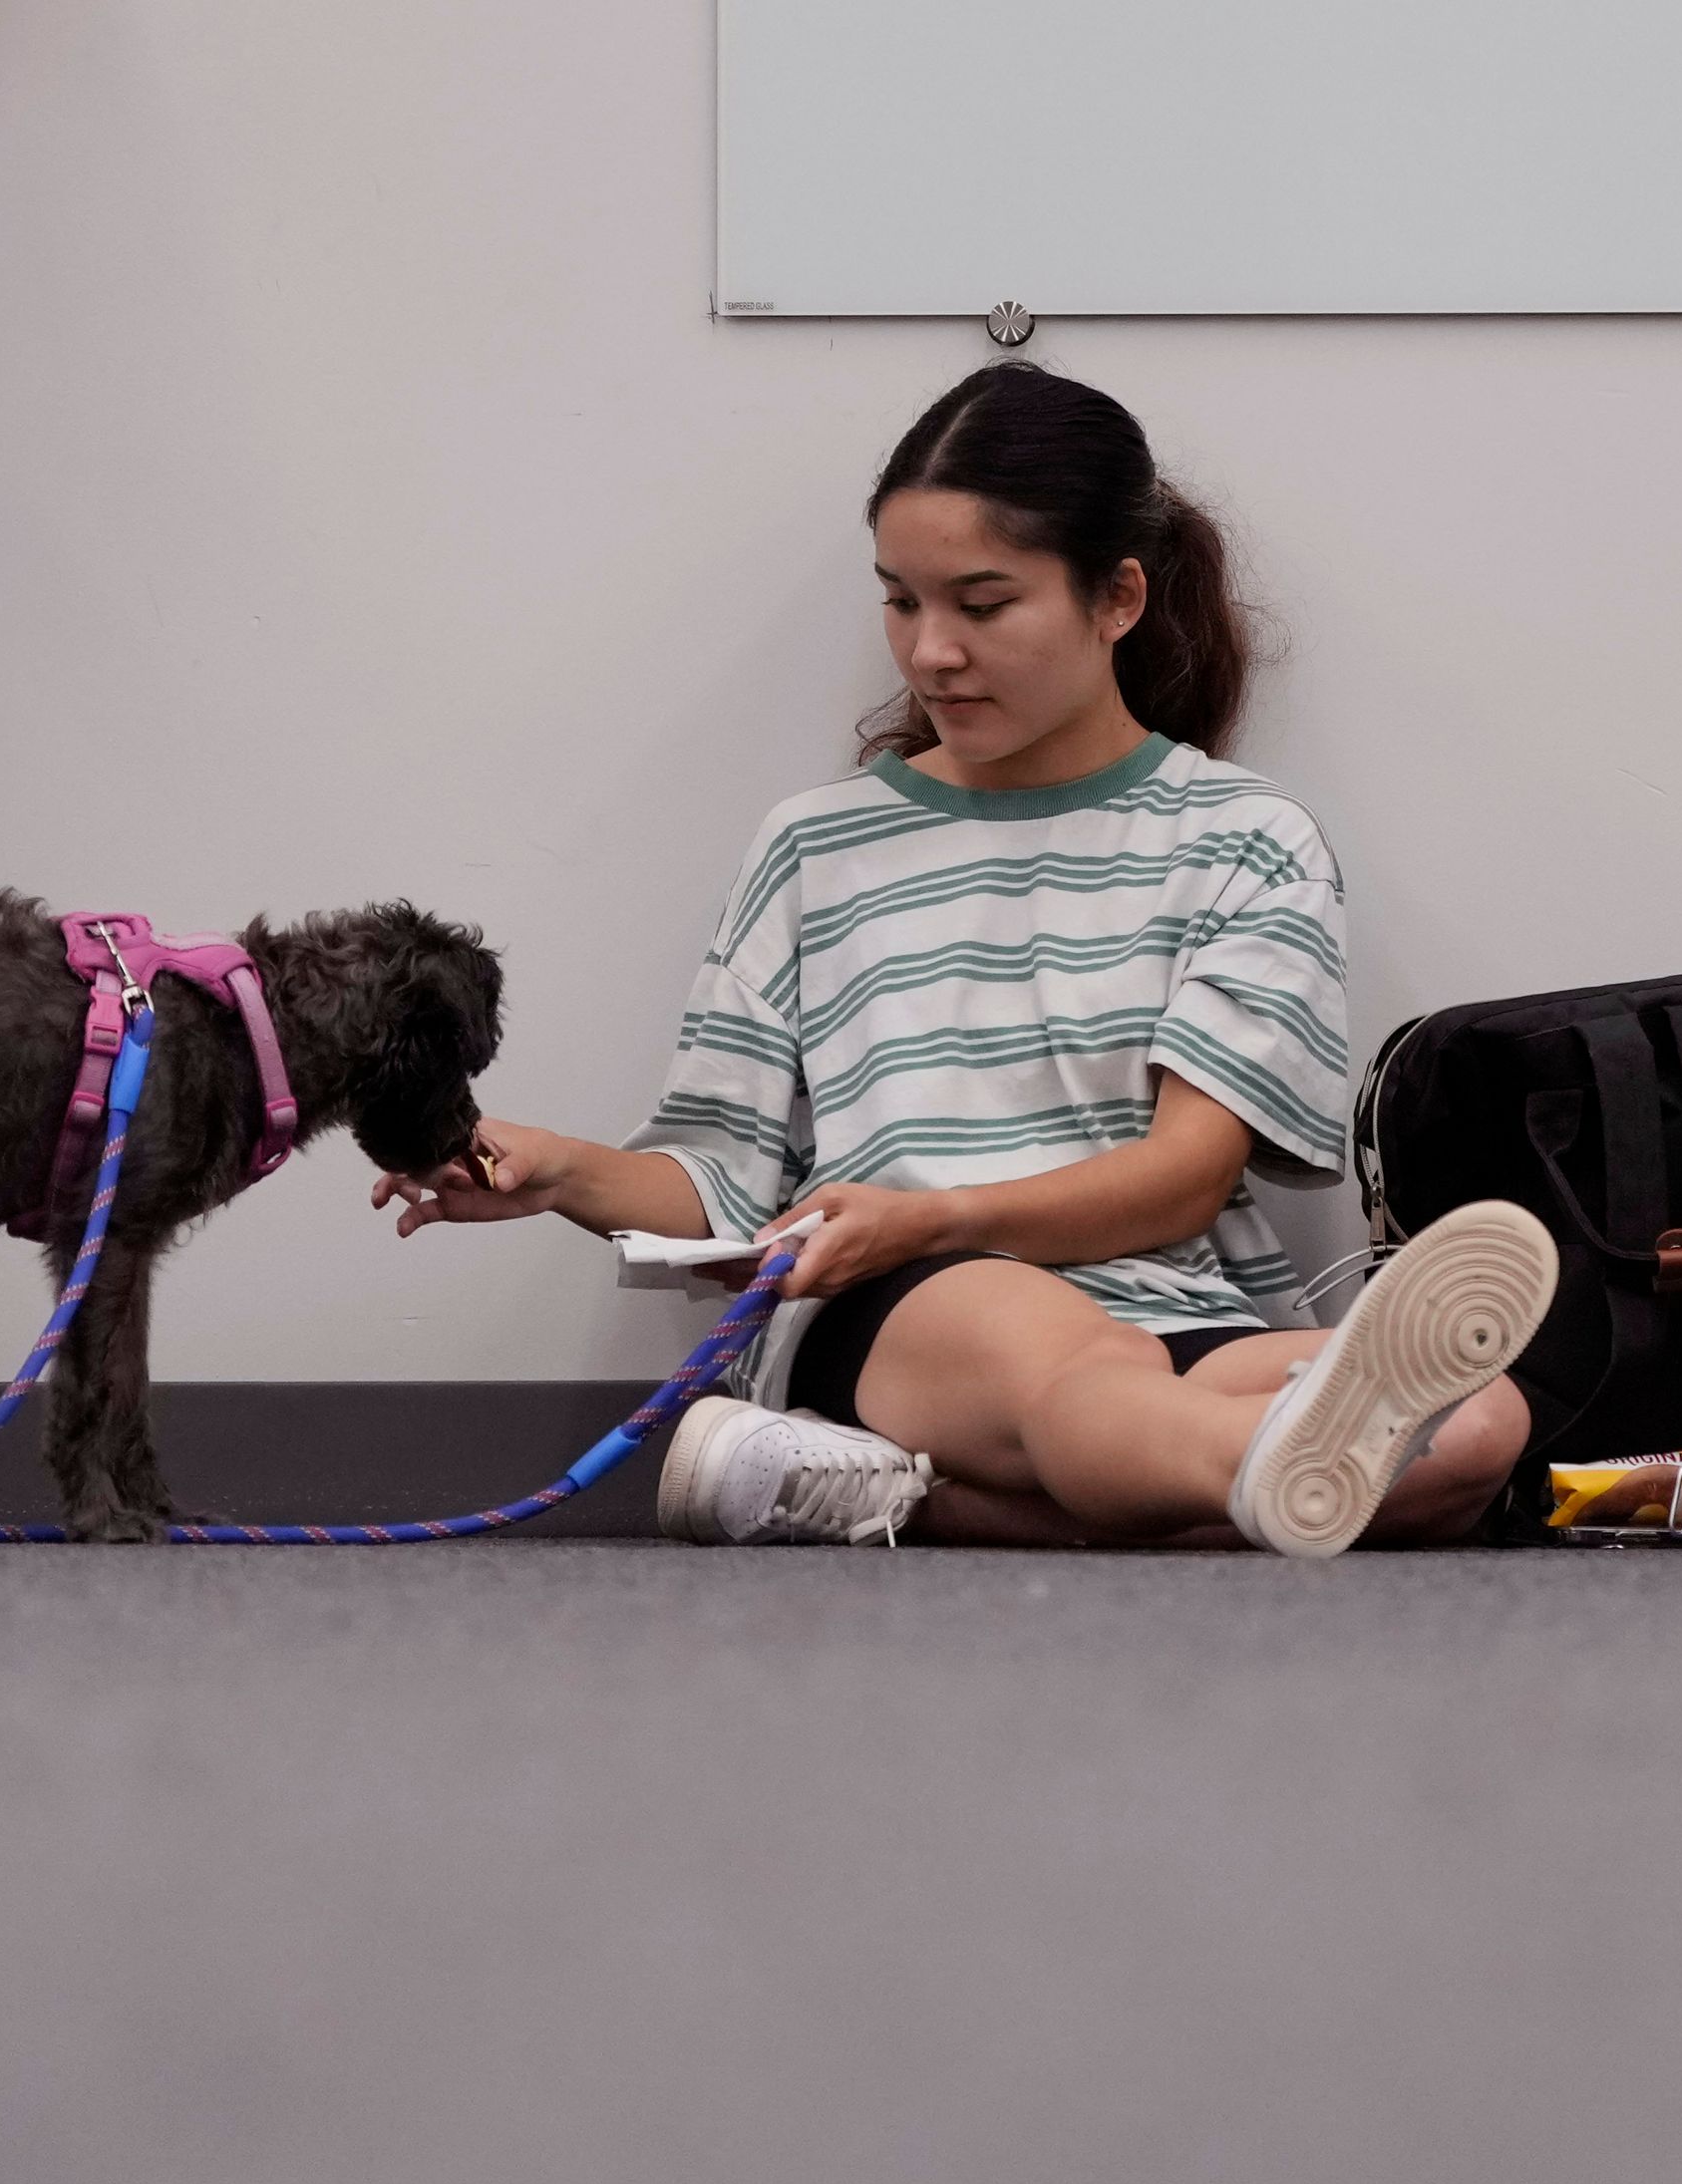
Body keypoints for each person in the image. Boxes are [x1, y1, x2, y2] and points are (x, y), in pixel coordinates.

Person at [377, 363, 1555, 1551]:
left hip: (1177, 1312)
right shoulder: (814, 846)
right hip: (904, 1310)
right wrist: (557, 1171)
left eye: (982, 606)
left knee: (1482, 1419)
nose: (931, 652)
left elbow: (1186, 1179)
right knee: (1069, 1363)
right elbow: (724, 1185)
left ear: (1119, 598)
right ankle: (1232, 1479)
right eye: (900, 602)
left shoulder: (1247, 840)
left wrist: (931, 1216)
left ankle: (918, 1493)